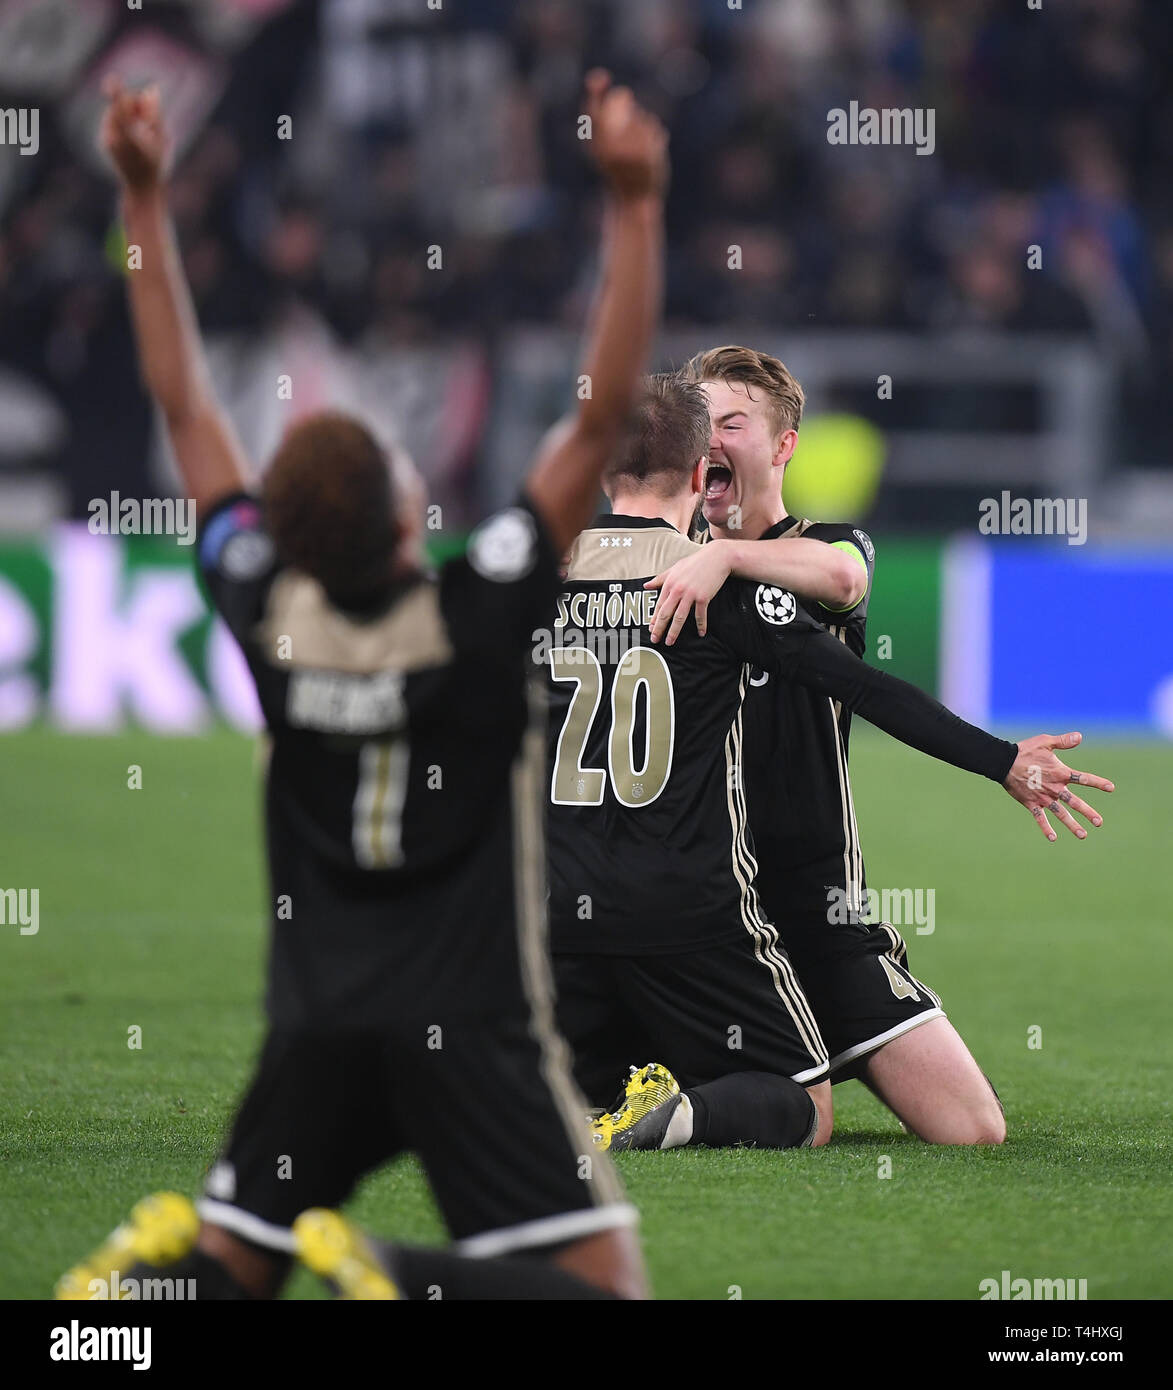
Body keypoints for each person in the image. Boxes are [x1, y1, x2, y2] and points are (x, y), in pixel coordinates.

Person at [58, 69, 667, 1301]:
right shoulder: (477, 608)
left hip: (318, 1026)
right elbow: (595, 428)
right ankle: (391, 1275)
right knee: (606, 1292)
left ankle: (106, 1320)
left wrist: (141, 201)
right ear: (403, 519)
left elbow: (182, 401)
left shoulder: (265, 607)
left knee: (228, 1263)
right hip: (475, 1030)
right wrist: (638, 207)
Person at [641, 346, 1114, 1143]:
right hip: (707, 919)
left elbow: (841, 579)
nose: (712, 439)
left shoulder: (825, 545)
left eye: (733, 422)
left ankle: (803, 1061)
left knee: (971, 1130)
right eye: (701, 423)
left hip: (820, 911)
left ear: (783, 444)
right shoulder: (656, 567)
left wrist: (723, 553)